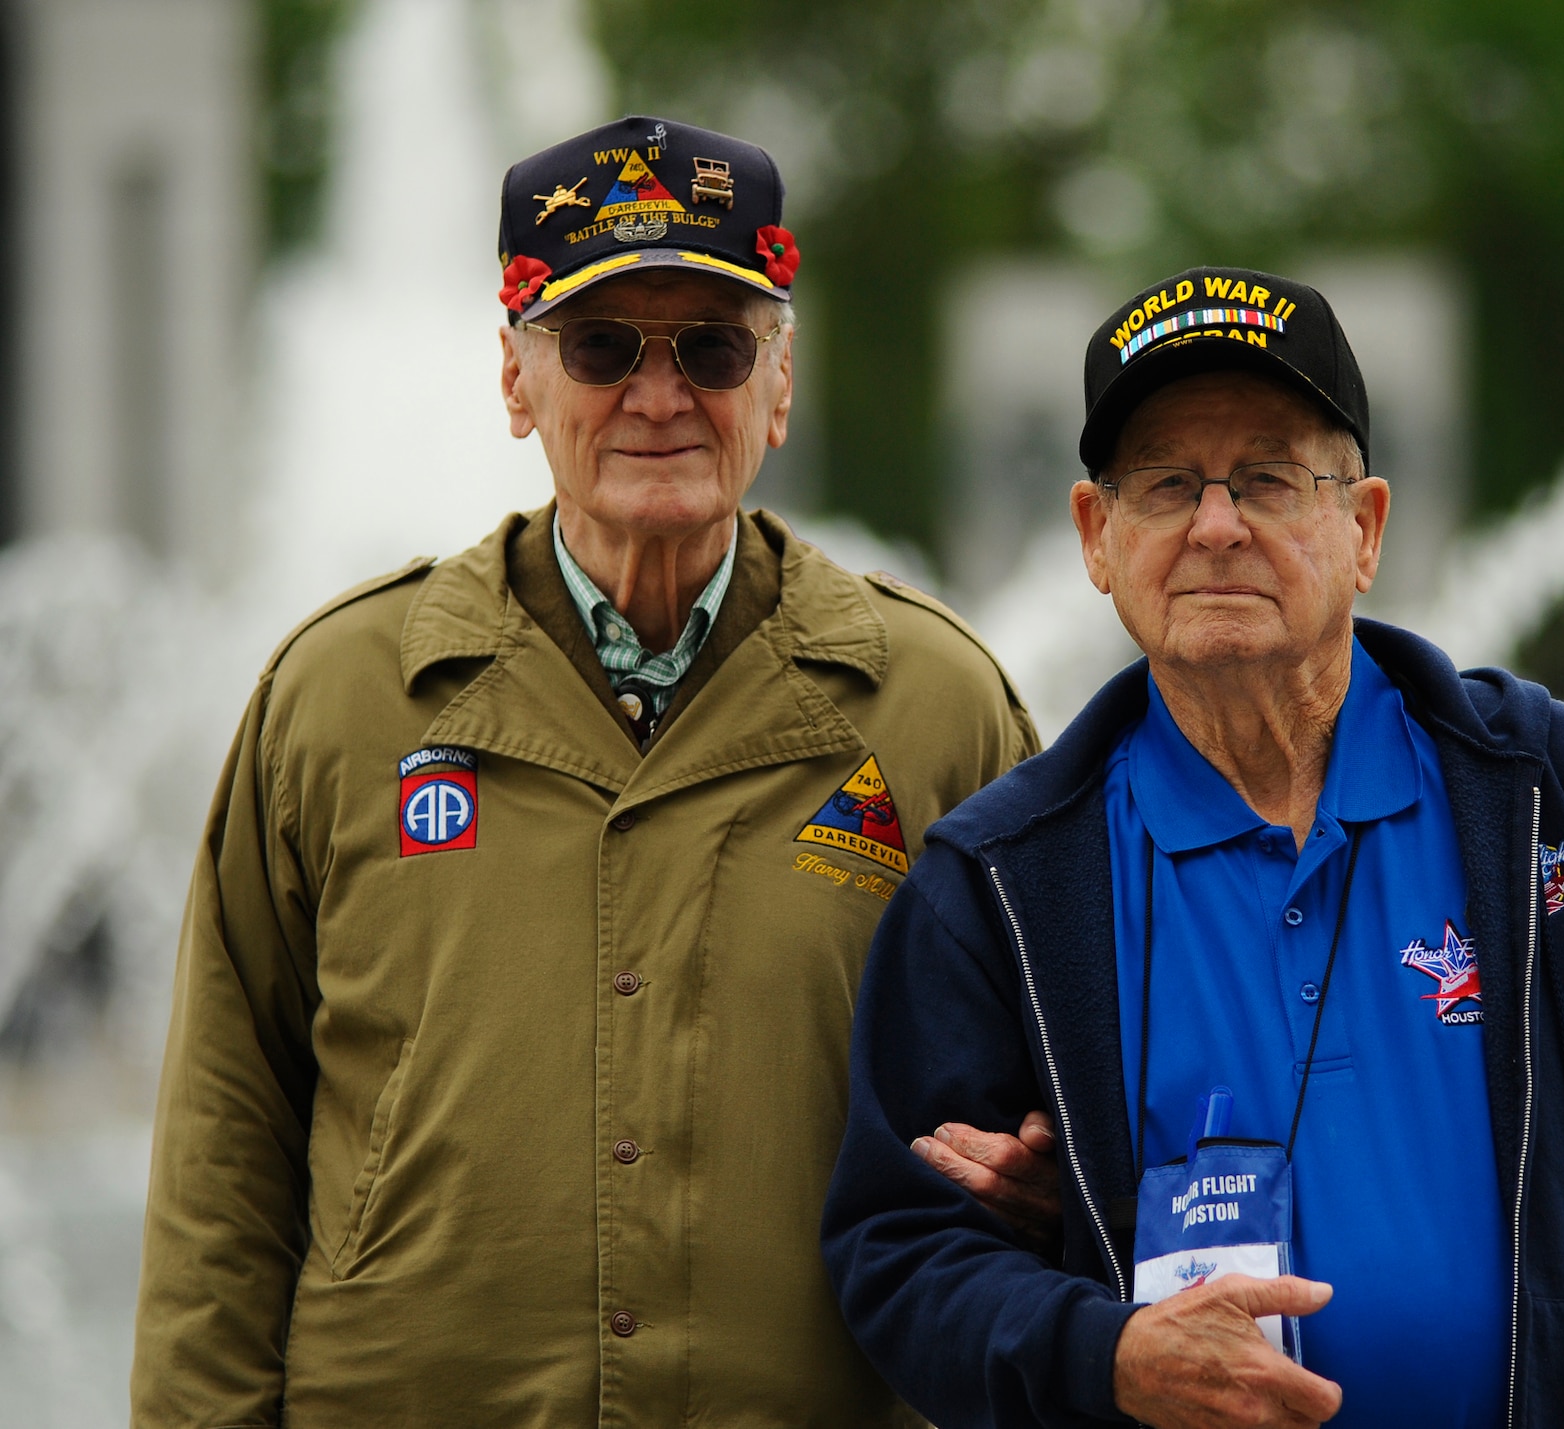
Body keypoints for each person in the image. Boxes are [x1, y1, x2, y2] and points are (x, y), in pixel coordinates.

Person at [822, 266, 1564, 1429]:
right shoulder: (1002, 877)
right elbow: (898, 1249)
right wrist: (1100, 1354)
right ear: (1097, 538)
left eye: (1266, 477)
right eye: (1164, 483)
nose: (1215, 524)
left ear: (1362, 528)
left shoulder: (1548, 792)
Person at [131, 116, 1040, 1427]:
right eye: (602, 345)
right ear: (516, 379)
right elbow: (223, 1156)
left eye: (714, 349)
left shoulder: (938, 706)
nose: (659, 396)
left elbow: (1054, 1120)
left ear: (779, 384)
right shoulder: (337, 695)